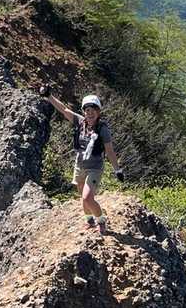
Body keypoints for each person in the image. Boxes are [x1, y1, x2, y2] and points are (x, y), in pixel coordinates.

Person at [40, 85, 124, 232]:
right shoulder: (80, 122)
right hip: (79, 165)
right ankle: (89, 220)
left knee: (87, 197)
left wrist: (117, 170)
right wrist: (48, 96)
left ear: (98, 111)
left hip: (95, 167)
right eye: (87, 110)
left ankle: (101, 221)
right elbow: (64, 109)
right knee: (82, 195)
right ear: (84, 111)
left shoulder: (102, 129)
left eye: (93, 110)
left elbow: (109, 151)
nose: (90, 113)